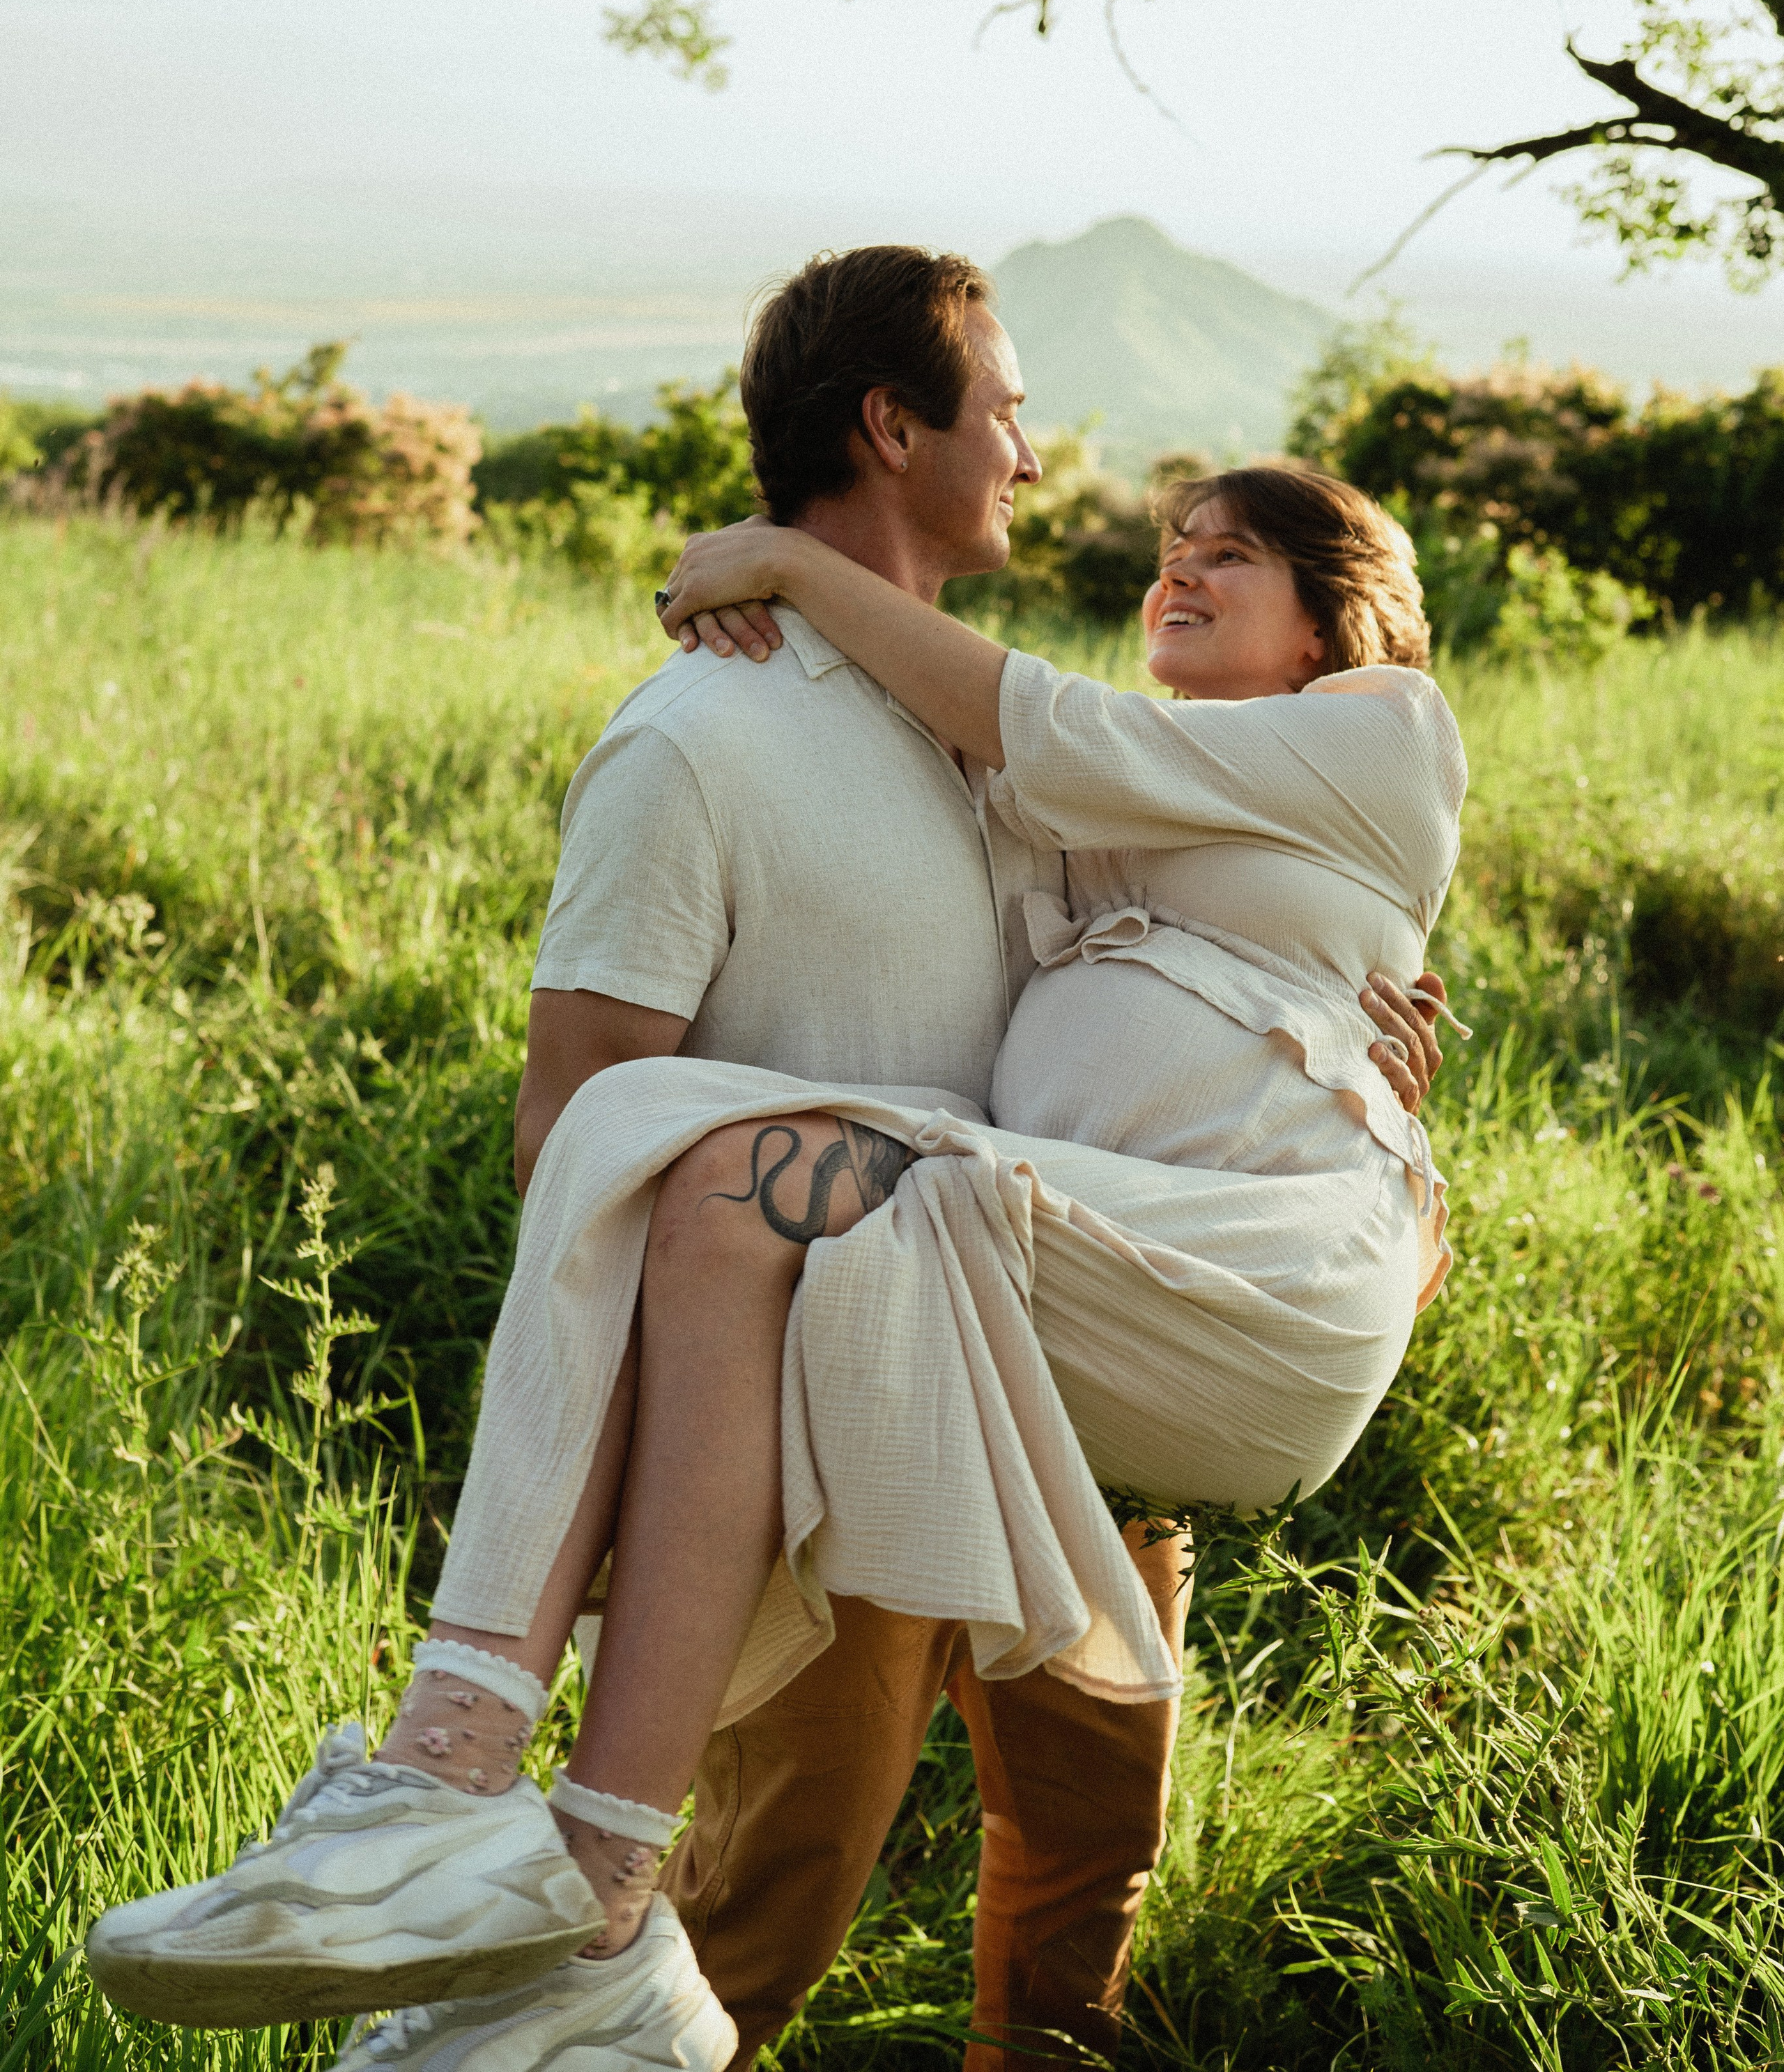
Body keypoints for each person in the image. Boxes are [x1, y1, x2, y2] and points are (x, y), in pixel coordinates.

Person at [86, 249, 1447, 2072]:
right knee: (760, 1921)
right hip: (829, 1395)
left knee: (1080, 1871)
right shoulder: (703, 734)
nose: (1045, 463)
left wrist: (1379, 1073)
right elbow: (572, 1129)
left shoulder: (1025, 758)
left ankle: (489, 1797)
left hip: (1085, 1338)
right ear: (896, 427)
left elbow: (1227, 954)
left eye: (1230, 550)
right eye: (1012, 413)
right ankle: (481, 1833)